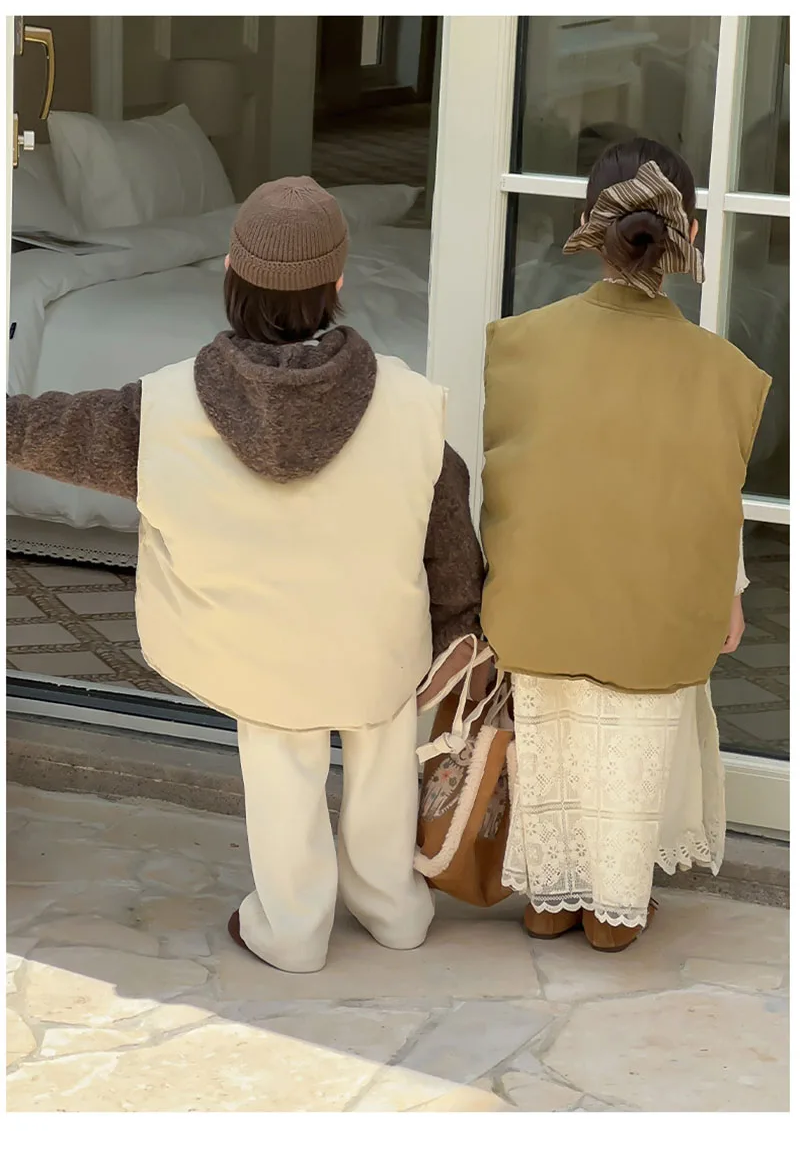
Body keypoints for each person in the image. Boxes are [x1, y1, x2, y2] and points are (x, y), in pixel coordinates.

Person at [7, 177, 485, 973]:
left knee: (281, 764)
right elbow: (449, 534)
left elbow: (42, 429)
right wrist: (457, 625)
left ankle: (292, 929)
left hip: (257, 650)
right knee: (384, 755)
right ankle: (394, 910)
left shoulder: (160, 407)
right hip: (377, 644)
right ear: (339, 282)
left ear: (229, 273)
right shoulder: (411, 402)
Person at [481, 139, 771, 953]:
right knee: (633, 741)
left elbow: (512, 489)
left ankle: (549, 898)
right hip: (655, 614)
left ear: (587, 224)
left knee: (555, 740)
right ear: (689, 236)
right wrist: (730, 595)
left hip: (539, 605)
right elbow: (713, 504)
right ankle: (614, 908)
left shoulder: (519, 342)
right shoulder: (727, 370)